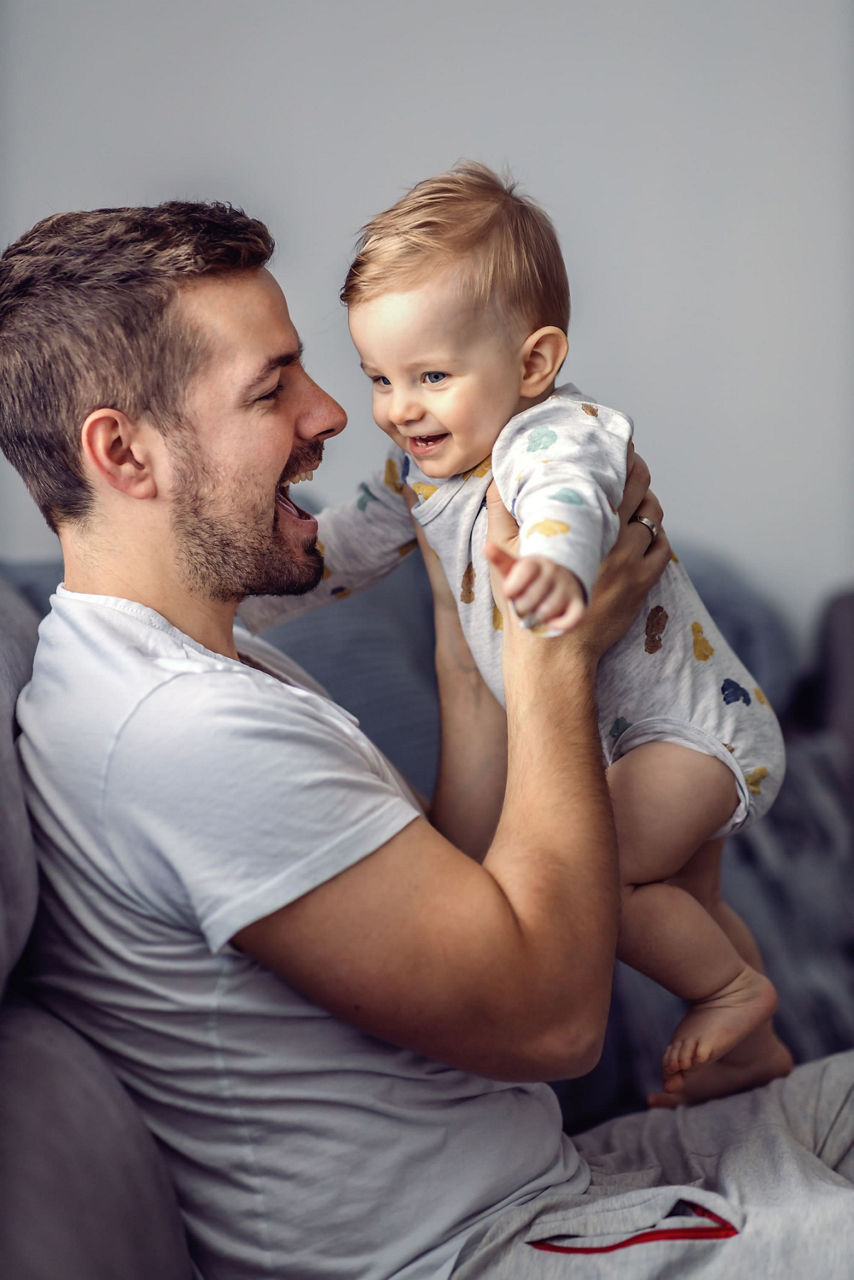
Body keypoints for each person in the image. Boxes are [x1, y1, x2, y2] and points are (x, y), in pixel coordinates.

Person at [0, 201, 851, 1280]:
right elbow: (552, 1021)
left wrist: (468, 628)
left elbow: (459, 890)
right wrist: (554, 653)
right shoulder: (176, 731)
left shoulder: (200, 667)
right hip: (476, 1251)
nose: (333, 413)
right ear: (124, 451)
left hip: (544, 1190)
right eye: (271, 388)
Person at [241, 163, 791, 1102]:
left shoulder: (550, 435)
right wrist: (246, 603)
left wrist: (554, 568)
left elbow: (571, 502)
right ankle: (756, 1048)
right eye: (378, 375)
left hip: (689, 737)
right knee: (682, 903)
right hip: (634, 743)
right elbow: (342, 553)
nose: (397, 405)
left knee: (599, 891)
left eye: (431, 376)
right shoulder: (415, 472)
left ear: (531, 364)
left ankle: (734, 990)